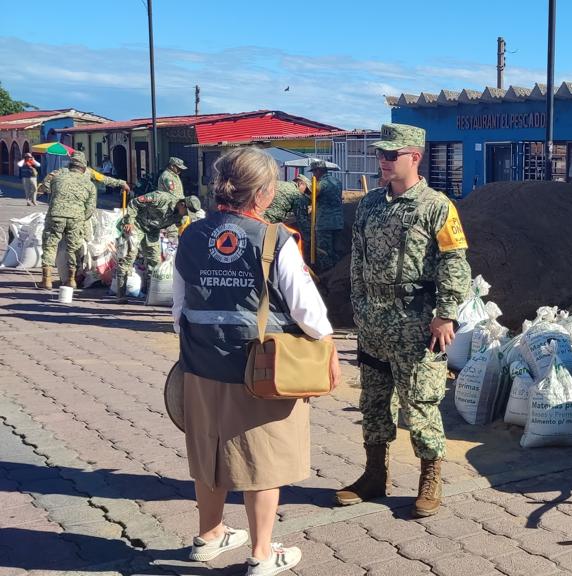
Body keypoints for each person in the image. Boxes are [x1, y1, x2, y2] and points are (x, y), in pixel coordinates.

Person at [173, 146, 337, 575]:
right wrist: (329, 346)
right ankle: (263, 554)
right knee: (261, 460)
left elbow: (178, 309)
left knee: (208, 451)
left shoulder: (190, 233)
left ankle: (210, 535)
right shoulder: (275, 239)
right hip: (259, 370)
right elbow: (308, 312)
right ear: (263, 193)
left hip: (200, 364)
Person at [337, 123, 472, 518]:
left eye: (390, 154)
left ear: (414, 156)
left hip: (417, 322)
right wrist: (359, 307)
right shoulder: (369, 204)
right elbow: (357, 260)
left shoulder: (437, 206)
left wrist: (446, 314)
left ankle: (430, 478)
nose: (382, 160)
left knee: (421, 402)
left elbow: (455, 262)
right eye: (380, 153)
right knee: (374, 400)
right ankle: (374, 475)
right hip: (375, 321)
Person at [36, 151, 129, 289]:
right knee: (74, 248)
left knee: (50, 246)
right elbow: (104, 180)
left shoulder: (59, 173)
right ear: (84, 165)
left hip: (56, 215)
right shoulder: (89, 176)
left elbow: (45, 186)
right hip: (78, 218)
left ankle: (47, 279)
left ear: (70, 163)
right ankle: (72, 280)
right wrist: (121, 183)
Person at [118, 191, 202, 301]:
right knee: (128, 258)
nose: (186, 215)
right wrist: (129, 221)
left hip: (152, 231)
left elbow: (181, 230)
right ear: (182, 204)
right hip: (136, 225)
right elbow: (134, 202)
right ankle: (121, 295)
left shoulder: (180, 216)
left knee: (154, 263)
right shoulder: (161, 198)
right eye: (187, 211)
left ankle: (151, 296)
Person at [296, 160, 345, 271]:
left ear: (318, 171)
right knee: (336, 251)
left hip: (324, 223)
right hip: (338, 221)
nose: (313, 175)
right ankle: (337, 273)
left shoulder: (322, 183)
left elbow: (315, 193)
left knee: (323, 252)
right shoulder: (337, 181)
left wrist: (305, 190)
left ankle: (326, 275)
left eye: (314, 172)